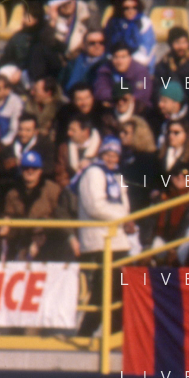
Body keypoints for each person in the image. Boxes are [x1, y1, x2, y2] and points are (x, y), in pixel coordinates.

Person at [76, 136, 134, 333]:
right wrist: (124, 218)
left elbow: (125, 205)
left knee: (119, 292)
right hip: (98, 242)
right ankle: (85, 335)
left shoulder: (117, 176)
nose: (111, 159)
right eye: (108, 154)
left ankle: (113, 335)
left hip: (118, 241)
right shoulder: (92, 173)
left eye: (115, 155)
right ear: (101, 154)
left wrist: (126, 218)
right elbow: (95, 206)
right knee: (103, 293)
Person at [1, 150, 64, 260]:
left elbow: (60, 215)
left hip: (46, 238)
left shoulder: (51, 189)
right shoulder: (13, 193)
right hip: (22, 238)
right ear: (21, 170)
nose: (30, 171)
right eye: (26, 168)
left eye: (34, 168)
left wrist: (43, 237)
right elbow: (8, 216)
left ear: (40, 171)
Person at [0, 0, 63, 86]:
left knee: (25, 76)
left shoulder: (44, 33)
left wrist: (21, 70)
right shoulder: (18, 36)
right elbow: (6, 56)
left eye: (26, 16)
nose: (23, 19)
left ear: (36, 19)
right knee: (3, 74)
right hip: (20, 68)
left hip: (37, 71)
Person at [154, 27, 189, 111]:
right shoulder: (164, 64)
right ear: (170, 44)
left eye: (184, 42)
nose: (181, 46)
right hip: (166, 106)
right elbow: (157, 87)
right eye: (177, 42)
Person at [94, 43, 153, 108]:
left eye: (123, 57)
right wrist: (117, 97)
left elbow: (143, 93)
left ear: (130, 58)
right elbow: (100, 91)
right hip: (113, 106)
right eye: (116, 57)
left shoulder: (141, 71)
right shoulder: (105, 70)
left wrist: (126, 99)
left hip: (137, 108)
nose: (120, 61)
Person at [103, 0, 156, 68]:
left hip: (138, 63)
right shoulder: (113, 22)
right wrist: (116, 60)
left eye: (134, 7)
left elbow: (146, 49)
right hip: (115, 61)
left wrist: (127, 62)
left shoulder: (144, 22)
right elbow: (108, 46)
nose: (130, 11)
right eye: (126, 8)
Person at [57, 113, 101, 188]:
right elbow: (61, 174)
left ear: (85, 132)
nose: (69, 133)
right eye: (69, 129)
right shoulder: (64, 148)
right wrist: (70, 188)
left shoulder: (101, 147)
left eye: (73, 130)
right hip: (72, 188)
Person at [59, 28, 107, 95]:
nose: (97, 46)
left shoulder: (111, 63)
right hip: (69, 97)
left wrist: (121, 94)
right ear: (84, 45)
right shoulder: (72, 63)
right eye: (92, 43)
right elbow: (60, 83)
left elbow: (121, 82)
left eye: (101, 42)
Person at [9, 113, 55, 179]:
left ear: (36, 131)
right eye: (20, 129)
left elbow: (49, 168)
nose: (23, 133)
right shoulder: (12, 144)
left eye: (28, 130)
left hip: (38, 181)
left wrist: (31, 165)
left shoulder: (45, 145)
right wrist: (14, 162)